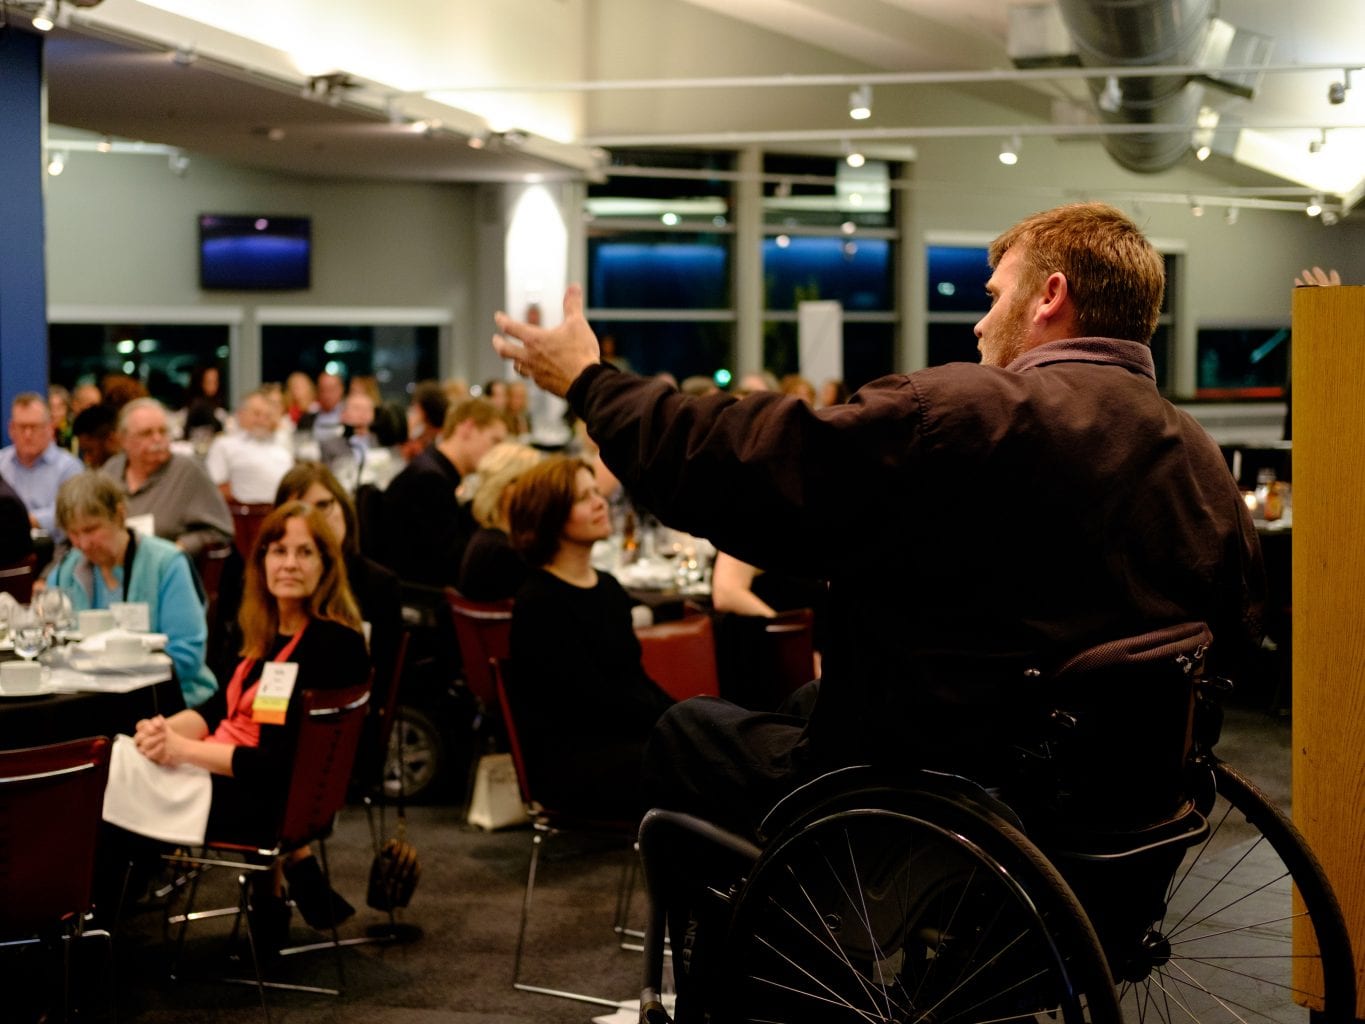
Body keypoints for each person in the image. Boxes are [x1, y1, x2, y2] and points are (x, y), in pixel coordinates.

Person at [492, 201, 1264, 837]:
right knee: (794, 706)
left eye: (993, 297)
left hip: (941, 777)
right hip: (1118, 800)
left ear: (1049, 297)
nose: (978, 324)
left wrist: (594, 385)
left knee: (687, 733)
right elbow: (1228, 631)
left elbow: (750, 464)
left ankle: (752, 985)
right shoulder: (1196, 455)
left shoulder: (970, 413)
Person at [107, 502, 369, 939]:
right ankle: (103, 923)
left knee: (108, 784)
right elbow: (215, 710)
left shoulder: (334, 644)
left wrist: (180, 750)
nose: (289, 563)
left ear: (326, 564)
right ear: (261, 558)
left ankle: (96, 933)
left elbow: (276, 764)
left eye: (305, 553)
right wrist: (164, 732)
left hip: (262, 798)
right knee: (117, 757)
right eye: (278, 550)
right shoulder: (258, 629)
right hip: (224, 774)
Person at [505, 455, 673, 820]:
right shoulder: (539, 602)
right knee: (692, 759)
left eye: (598, 493)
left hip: (622, 740)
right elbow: (584, 700)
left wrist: (682, 714)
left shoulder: (609, 588)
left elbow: (632, 678)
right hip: (575, 759)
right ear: (550, 515)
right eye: (584, 498)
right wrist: (671, 724)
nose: (601, 503)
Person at [49, 471, 219, 706]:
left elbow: (187, 656)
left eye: (91, 530)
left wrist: (119, 667)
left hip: (167, 699)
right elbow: (50, 642)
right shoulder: (67, 570)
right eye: (74, 533)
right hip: (88, 702)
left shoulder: (166, 563)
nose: (83, 544)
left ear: (119, 515)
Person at [380, 397, 507, 586]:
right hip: (421, 596)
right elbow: (449, 560)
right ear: (467, 428)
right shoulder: (429, 479)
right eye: (494, 441)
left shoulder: (432, 468)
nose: (498, 453)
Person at [102, 398, 234, 557]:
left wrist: (178, 548)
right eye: (146, 433)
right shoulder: (111, 470)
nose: (157, 439)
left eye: (163, 431)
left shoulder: (188, 471)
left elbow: (221, 530)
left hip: (166, 570)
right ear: (123, 440)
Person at [457, 442, 540, 602]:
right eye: (530, 482)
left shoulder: (488, 537)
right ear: (503, 488)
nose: (537, 490)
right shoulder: (502, 551)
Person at [0, 392, 83, 542]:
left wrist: (23, 521)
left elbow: (71, 512)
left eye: (34, 427)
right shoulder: (1, 462)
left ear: (49, 428)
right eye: (22, 427)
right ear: (11, 429)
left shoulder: (69, 467)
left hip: (52, 552)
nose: (27, 434)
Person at [204, 390, 294, 504]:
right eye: (257, 414)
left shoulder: (282, 449)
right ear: (241, 414)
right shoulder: (224, 444)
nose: (262, 420)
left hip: (281, 512)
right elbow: (214, 487)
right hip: (242, 514)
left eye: (267, 416)